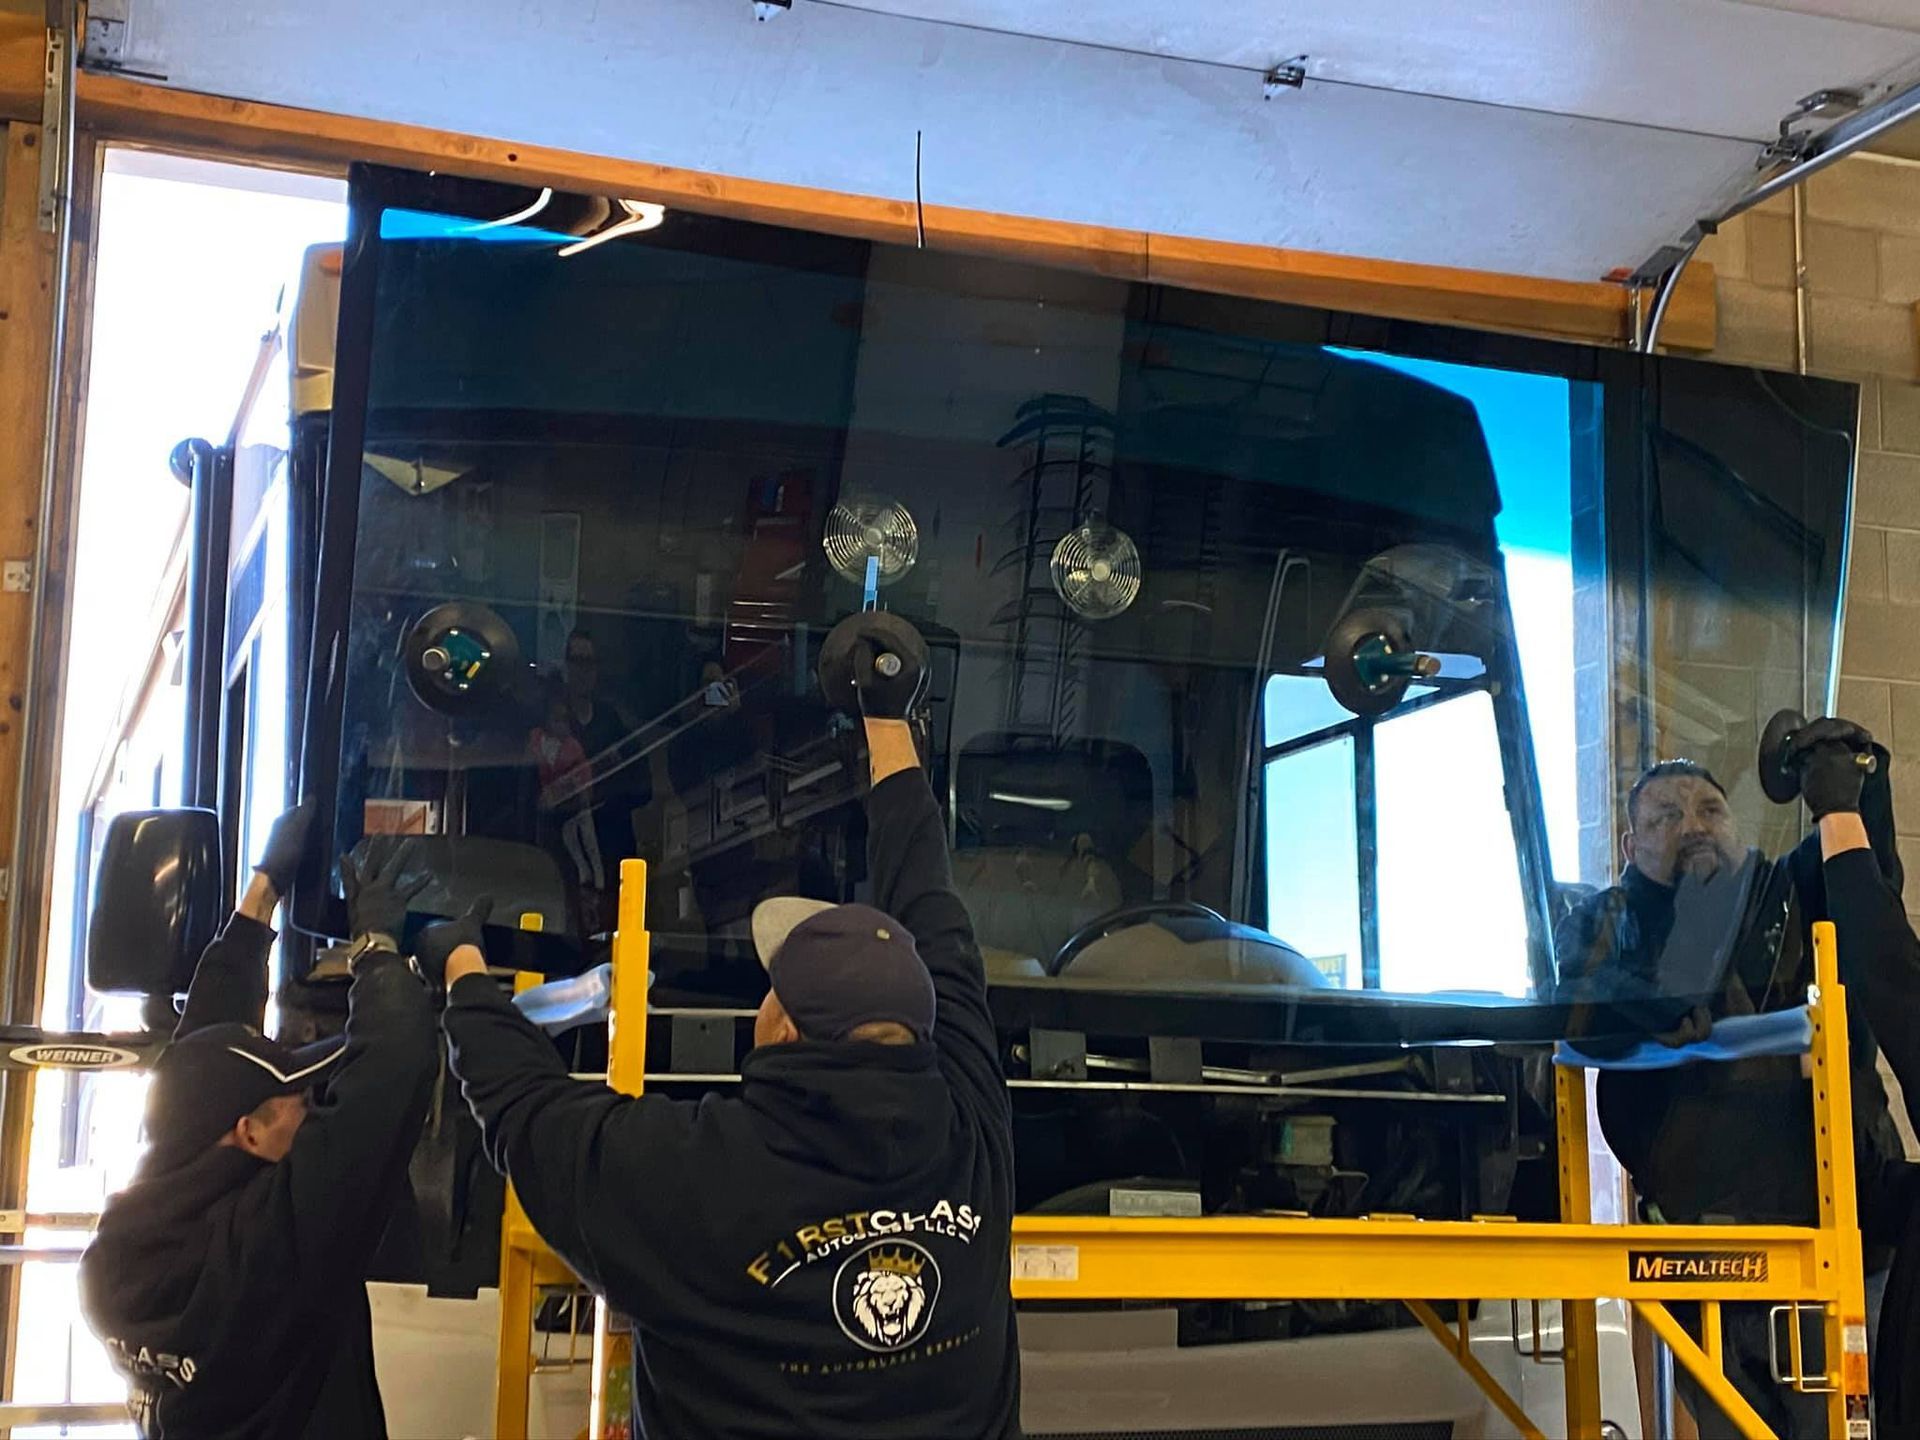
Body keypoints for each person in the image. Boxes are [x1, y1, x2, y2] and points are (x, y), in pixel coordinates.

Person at [444, 614, 1020, 1438]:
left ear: (783, 1030)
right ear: (922, 1022)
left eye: (773, 986)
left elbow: (521, 1105)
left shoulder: (693, 1179)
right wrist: (888, 719)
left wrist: (461, 967)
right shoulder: (973, 1129)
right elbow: (932, 901)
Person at [1554, 722, 1920, 1438]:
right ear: (1630, 848)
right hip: (1704, 1263)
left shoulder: (1785, 893)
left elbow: (1870, 893)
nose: (1692, 825)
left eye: (1710, 810)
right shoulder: (1610, 922)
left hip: (1843, 1241)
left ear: (1737, 826)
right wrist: (1654, 997)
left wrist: (1859, 786)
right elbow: (1578, 999)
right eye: (1666, 816)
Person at [80, 812, 476, 1439]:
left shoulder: (118, 1259)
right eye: (295, 1098)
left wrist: (261, 895)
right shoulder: (266, 1256)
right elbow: (394, 1068)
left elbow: (202, 1066)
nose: (310, 1107)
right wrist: (375, 949)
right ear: (251, 1135)